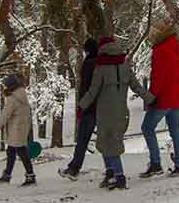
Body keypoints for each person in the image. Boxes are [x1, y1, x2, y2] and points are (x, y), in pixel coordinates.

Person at [78, 36, 154, 190]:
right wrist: (150, 99)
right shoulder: (125, 67)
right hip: (122, 112)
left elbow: (93, 91)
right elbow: (137, 87)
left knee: (107, 143)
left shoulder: (101, 68)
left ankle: (119, 176)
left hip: (105, 113)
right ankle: (110, 174)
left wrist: (82, 105)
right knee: (112, 142)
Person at [140, 16, 179, 178]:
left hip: (164, 98)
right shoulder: (175, 47)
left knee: (147, 128)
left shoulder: (160, 50)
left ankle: (155, 163)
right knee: (175, 131)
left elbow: (158, 77)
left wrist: (150, 96)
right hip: (176, 96)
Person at [58, 38, 98, 181]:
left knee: (82, 139)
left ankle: (74, 168)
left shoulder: (89, 64)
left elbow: (85, 87)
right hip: (98, 108)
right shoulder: (100, 63)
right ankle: (112, 169)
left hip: (88, 108)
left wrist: (82, 106)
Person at [0, 73, 36, 187]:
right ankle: (8, 174)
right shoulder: (22, 95)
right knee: (12, 151)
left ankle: (30, 176)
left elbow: (4, 116)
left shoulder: (12, 99)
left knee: (21, 152)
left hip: (16, 129)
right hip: (22, 128)